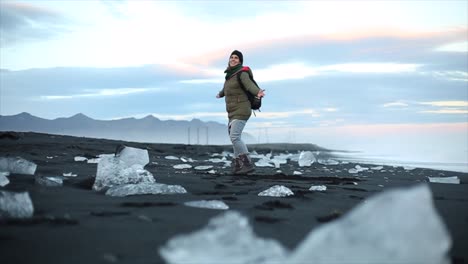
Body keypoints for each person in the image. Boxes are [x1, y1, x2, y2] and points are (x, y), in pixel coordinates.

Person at [216, 50, 265, 175]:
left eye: (236, 58)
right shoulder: (229, 75)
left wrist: (257, 92)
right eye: (231, 57)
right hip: (232, 111)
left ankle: (247, 163)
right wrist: (220, 94)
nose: (233, 59)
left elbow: (249, 85)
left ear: (240, 61)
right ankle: (238, 165)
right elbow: (226, 88)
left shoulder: (242, 73)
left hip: (242, 109)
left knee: (235, 137)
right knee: (234, 138)